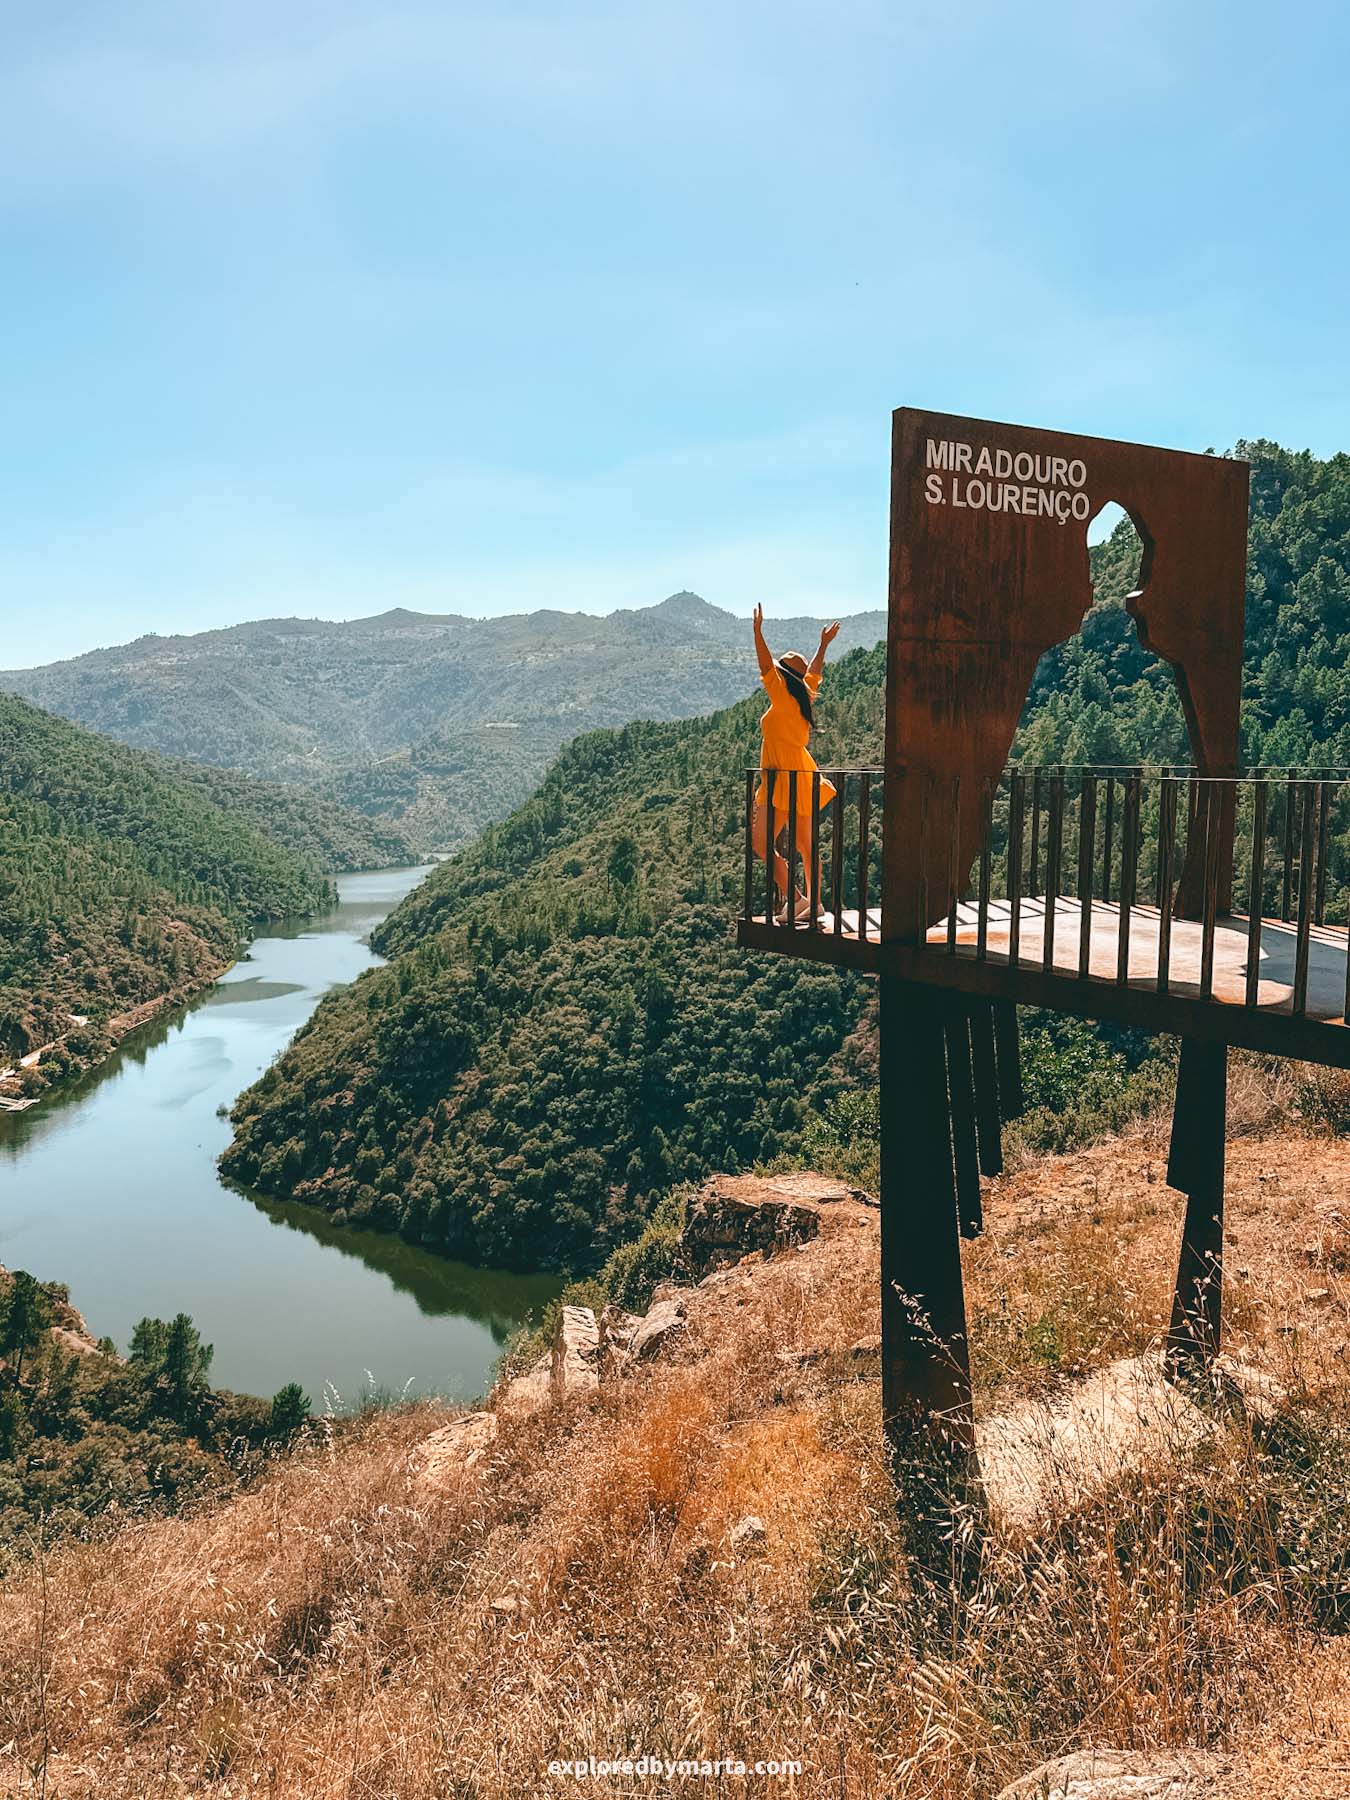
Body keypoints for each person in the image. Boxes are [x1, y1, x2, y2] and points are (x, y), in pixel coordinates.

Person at [751, 604, 840, 922]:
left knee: (761, 844)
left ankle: (798, 898)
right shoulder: (804, 694)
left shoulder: (783, 695)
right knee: (805, 845)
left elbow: (764, 666)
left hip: (779, 778)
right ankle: (811, 902)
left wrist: (758, 633)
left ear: (784, 676)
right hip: (801, 775)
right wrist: (824, 644)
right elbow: (815, 672)